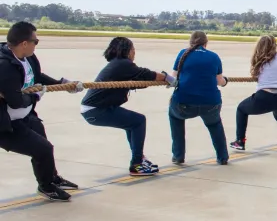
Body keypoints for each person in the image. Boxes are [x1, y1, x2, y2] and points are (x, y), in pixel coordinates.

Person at [0, 21, 83, 202]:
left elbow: (37, 78)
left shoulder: (28, 58)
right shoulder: (5, 66)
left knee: (43, 144)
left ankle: (52, 178)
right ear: (24, 43)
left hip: (25, 115)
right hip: (6, 123)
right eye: (35, 41)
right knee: (43, 149)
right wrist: (36, 96)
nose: (36, 44)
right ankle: (46, 187)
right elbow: (15, 101)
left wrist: (62, 83)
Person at [80, 37, 177, 176]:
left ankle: (139, 159)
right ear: (127, 50)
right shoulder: (123, 64)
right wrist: (167, 77)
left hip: (95, 109)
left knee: (132, 123)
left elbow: (137, 81)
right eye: (133, 49)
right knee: (138, 121)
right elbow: (146, 74)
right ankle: (137, 164)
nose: (134, 53)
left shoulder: (117, 64)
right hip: (96, 110)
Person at [168, 31, 229, 165]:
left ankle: (178, 155)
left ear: (191, 42)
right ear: (206, 43)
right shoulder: (214, 56)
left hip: (184, 103)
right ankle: (222, 157)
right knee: (215, 124)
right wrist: (226, 81)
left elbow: (173, 78)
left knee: (175, 117)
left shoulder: (183, 54)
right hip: (211, 102)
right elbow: (220, 81)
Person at [230, 35, 277, 151]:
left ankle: (240, 141)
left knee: (241, 109)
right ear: (275, 46)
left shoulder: (259, 60)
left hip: (264, 97)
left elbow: (256, 76)